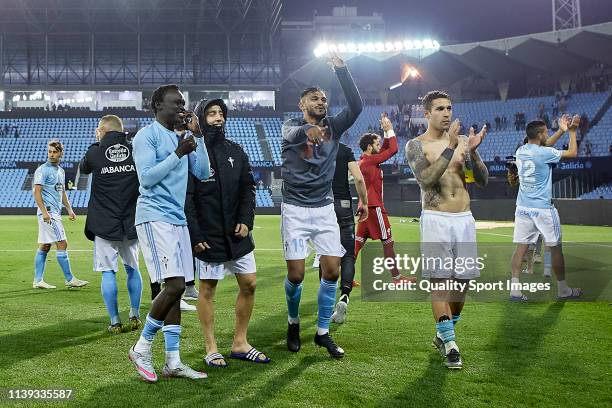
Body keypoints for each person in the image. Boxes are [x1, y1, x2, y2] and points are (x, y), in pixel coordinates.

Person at [281, 51, 362, 358]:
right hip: (295, 209)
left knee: (331, 272)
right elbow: (291, 133)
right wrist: (307, 131)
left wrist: (344, 71)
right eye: (315, 98)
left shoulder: (334, 127)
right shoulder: (290, 124)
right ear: (303, 104)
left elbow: (357, 106)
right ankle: (292, 321)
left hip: (324, 207)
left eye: (324, 99)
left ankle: (322, 332)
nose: (321, 102)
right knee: (297, 276)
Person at [128, 84, 211, 382]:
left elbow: (203, 173)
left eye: (183, 103)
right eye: (176, 103)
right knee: (174, 286)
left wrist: (197, 137)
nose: (181, 107)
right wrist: (178, 152)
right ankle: (141, 347)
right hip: (153, 217)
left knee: (176, 293)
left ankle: (172, 361)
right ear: (157, 106)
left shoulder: (183, 138)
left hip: (177, 220)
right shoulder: (146, 136)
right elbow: (147, 179)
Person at [405, 90, 489, 370]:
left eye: (449, 108)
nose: (446, 113)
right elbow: (426, 181)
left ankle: (444, 333)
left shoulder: (465, 142)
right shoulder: (416, 145)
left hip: (464, 219)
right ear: (427, 114)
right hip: (436, 218)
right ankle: (451, 346)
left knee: (462, 284)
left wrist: (474, 153)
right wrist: (451, 148)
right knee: (440, 282)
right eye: (439, 108)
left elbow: (483, 180)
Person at [185, 98, 269, 367]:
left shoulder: (237, 150)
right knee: (207, 290)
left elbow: (248, 188)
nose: (218, 118)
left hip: (238, 234)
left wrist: (247, 220)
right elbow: (187, 199)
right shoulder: (191, 153)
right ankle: (211, 348)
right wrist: (195, 236)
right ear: (200, 118)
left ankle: (240, 343)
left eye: (221, 113)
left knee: (250, 284)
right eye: (211, 113)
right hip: (209, 237)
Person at [80, 115, 143, 334]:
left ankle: (115, 321)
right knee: (133, 269)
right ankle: (135, 314)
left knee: (108, 272)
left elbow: (84, 168)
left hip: (104, 223)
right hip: (131, 221)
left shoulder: (95, 151)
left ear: (103, 130)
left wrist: (98, 142)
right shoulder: (136, 149)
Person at [510, 116, 582, 301]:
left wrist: (560, 130)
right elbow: (573, 152)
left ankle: (515, 290)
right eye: (546, 132)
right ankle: (563, 289)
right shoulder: (544, 153)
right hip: (543, 209)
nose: (548, 134)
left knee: (520, 249)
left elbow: (543, 146)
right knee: (555, 248)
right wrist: (572, 131)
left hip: (523, 208)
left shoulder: (520, 151)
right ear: (540, 134)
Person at [355, 113, 413, 284]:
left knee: (356, 244)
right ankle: (397, 278)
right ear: (368, 147)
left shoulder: (366, 160)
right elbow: (393, 149)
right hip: (375, 208)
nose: (380, 146)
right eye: (377, 143)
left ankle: (345, 277)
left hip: (366, 208)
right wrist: (390, 129)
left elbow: (387, 148)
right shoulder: (370, 162)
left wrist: (385, 133)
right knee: (388, 243)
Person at [32, 140, 89, 290]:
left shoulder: (61, 171)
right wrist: (44, 212)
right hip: (49, 212)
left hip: (54, 212)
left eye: (54, 152)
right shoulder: (42, 170)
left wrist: (69, 209)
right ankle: (70, 279)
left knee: (45, 245)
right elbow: (36, 192)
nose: (51, 154)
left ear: (60, 153)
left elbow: (62, 191)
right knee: (62, 243)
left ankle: (38, 280)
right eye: (49, 151)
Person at [325, 141, 368, 324]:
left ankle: (326, 306)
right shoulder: (344, 149)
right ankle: (344, 296)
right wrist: (364, 203)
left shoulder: (315, 148)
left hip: (323, 206)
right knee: (348, 255)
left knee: (325, 255)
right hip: (343, 205)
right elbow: (358, 178)